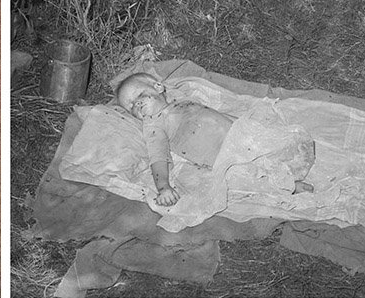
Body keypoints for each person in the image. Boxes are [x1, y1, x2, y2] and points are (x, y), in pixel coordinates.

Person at [116, 72, 313, 207]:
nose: (136, 104)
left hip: (240, 135)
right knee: (251, 175)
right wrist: (163, 187)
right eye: (130, 106)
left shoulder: (181, 102)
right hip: (222, 156)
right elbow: (158, 157)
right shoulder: (154, 126)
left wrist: (246, 124)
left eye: (139, 96)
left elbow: (216, 115)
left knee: (277, 144)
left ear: (158, 87)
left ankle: (286, 169)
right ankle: (289, 186)